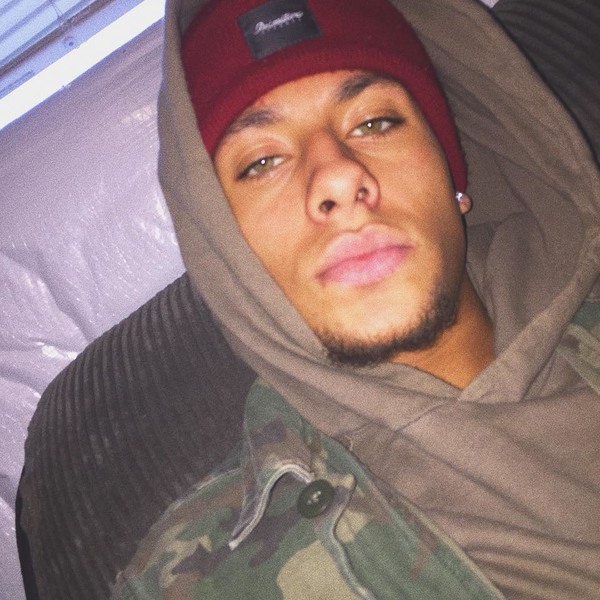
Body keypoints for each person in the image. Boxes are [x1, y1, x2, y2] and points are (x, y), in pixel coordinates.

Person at [104, 0, 600, 598]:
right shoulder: (185, 582)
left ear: (454, 173)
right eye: (262, 161)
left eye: (374, 123)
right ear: (226, 255)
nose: (337, 177)